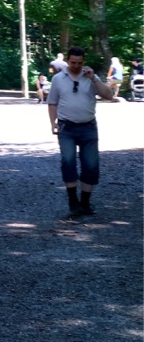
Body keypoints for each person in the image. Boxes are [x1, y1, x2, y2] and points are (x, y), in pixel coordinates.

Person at [48, 46, 110, 216]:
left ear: (83, 62)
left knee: (91, 164)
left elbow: (109, 95)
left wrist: (94, 79)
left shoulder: (90, 77)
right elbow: (52, 102)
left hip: (88, 126)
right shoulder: (58, 79)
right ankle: (73, 201)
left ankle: (85, 202)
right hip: (66, 127)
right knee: (68, 161)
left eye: (79, 63)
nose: (76, 66)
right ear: (67, 60)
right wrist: (53, 123)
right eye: (73, 62)